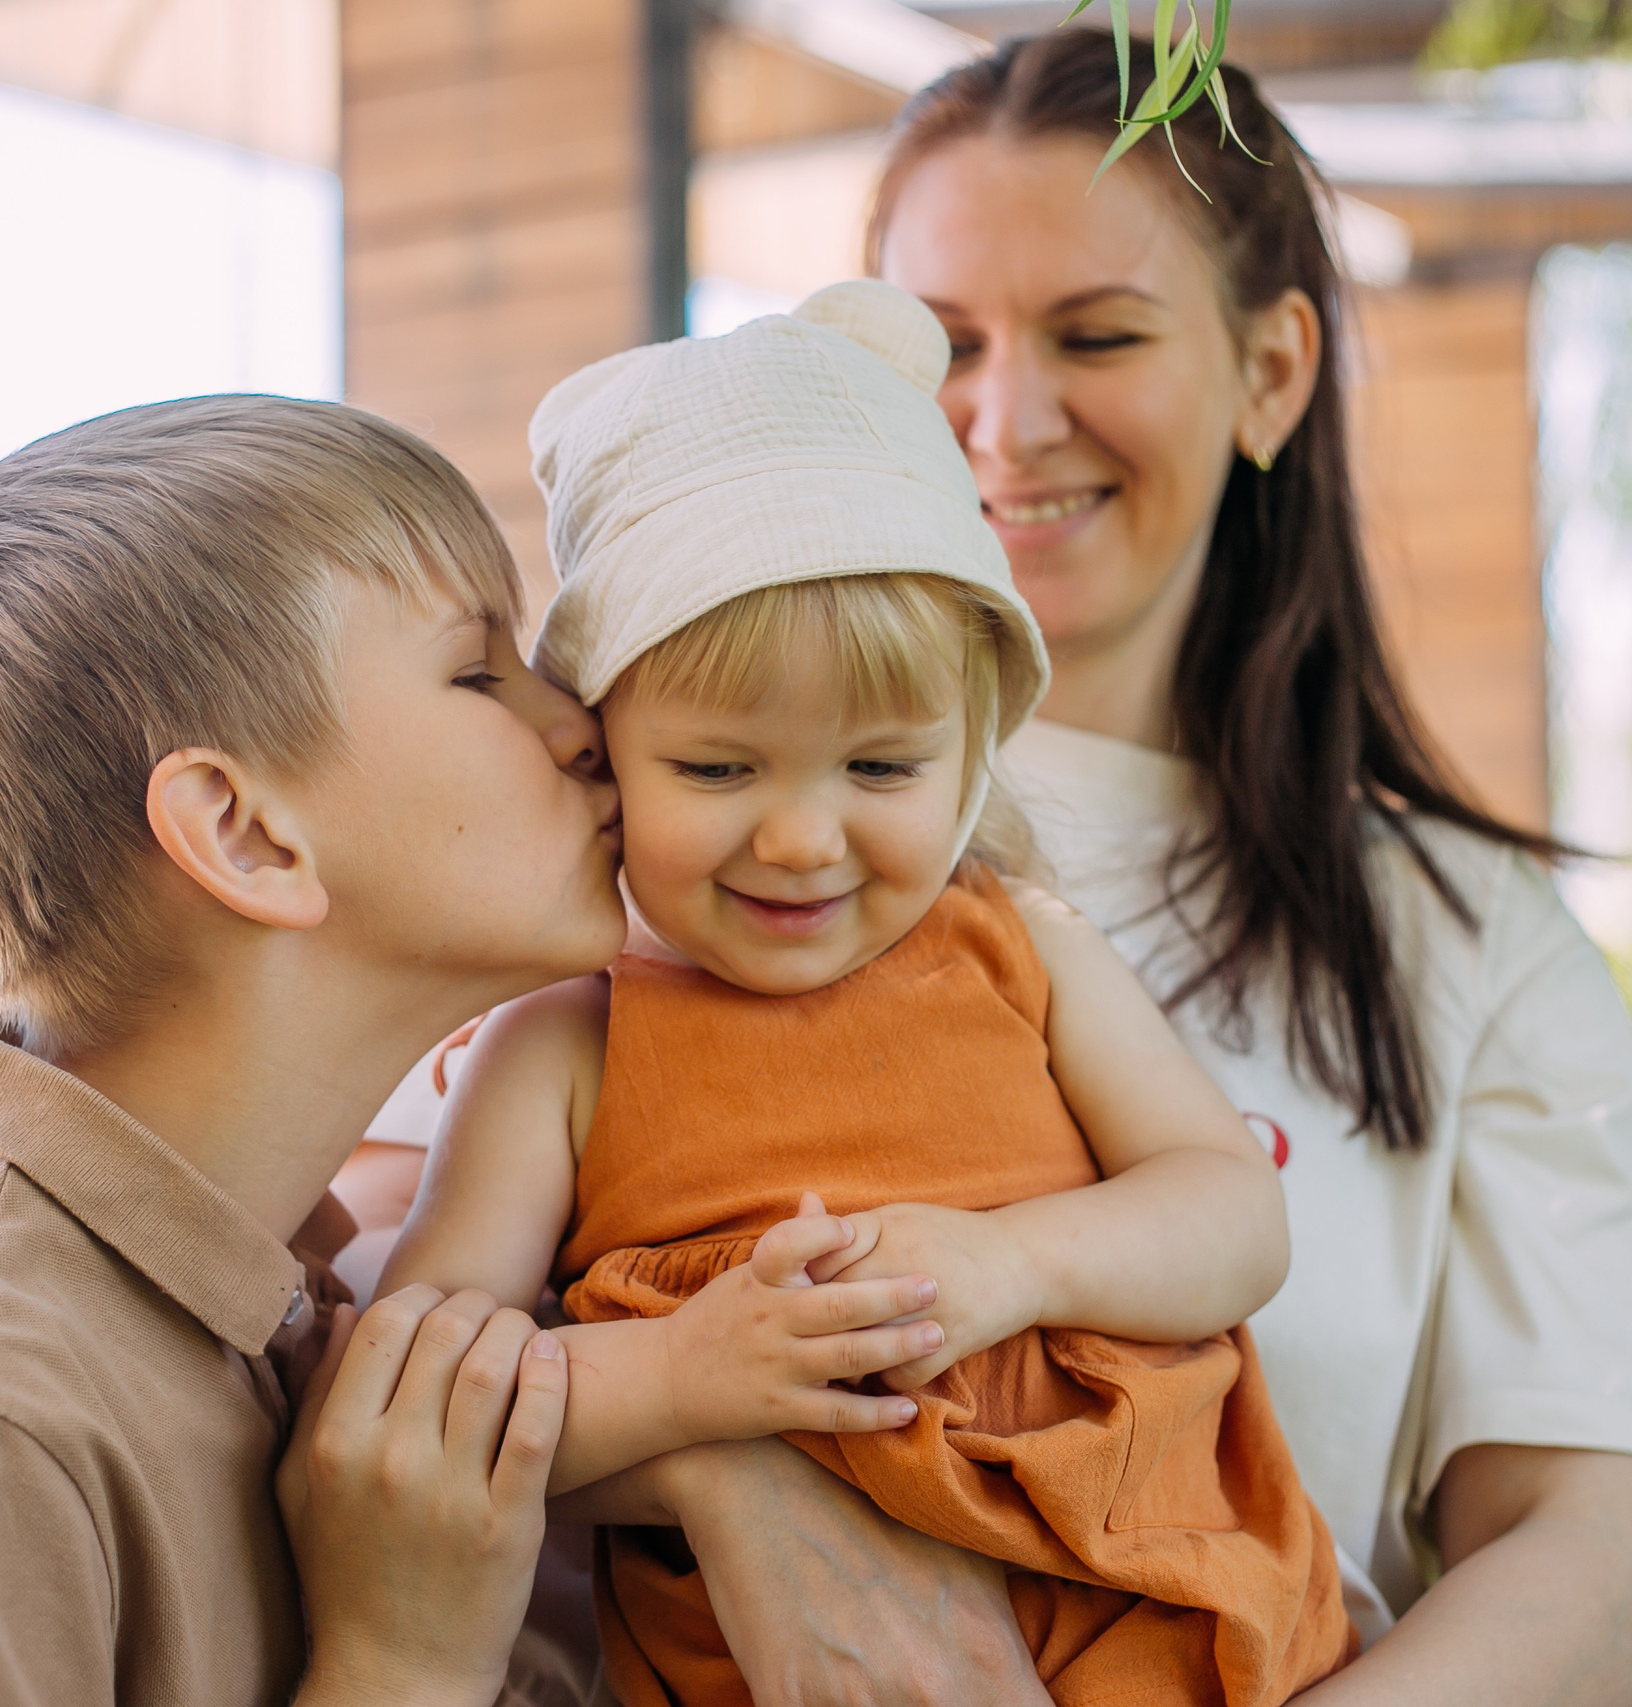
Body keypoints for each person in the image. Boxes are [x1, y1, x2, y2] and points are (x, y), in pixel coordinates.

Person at [538, 34, 1632, 1707]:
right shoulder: (636, 869)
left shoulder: (1465, 943)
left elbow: (1583, 1577)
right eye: (940, 346)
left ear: (1271, 372)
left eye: (1097, 336)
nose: (1003, 416)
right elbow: (383, 1372)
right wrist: (721, 1459)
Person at [0, 396, 937, 1707]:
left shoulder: (293, 1302)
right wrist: (401, 1669)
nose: (586, 724)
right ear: (248, 836)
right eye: (481, 671)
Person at [381, 282, 1351, 1706]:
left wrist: (1021, 1266)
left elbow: (1232, 1211)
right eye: (717, 770)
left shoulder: (1021, 949)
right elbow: (421, 1394)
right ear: (602, 744)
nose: (801, 839)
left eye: (882, 770)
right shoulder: (566, 1045)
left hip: (1159, 1593)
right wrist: (686, 1376)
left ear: (973, 751)